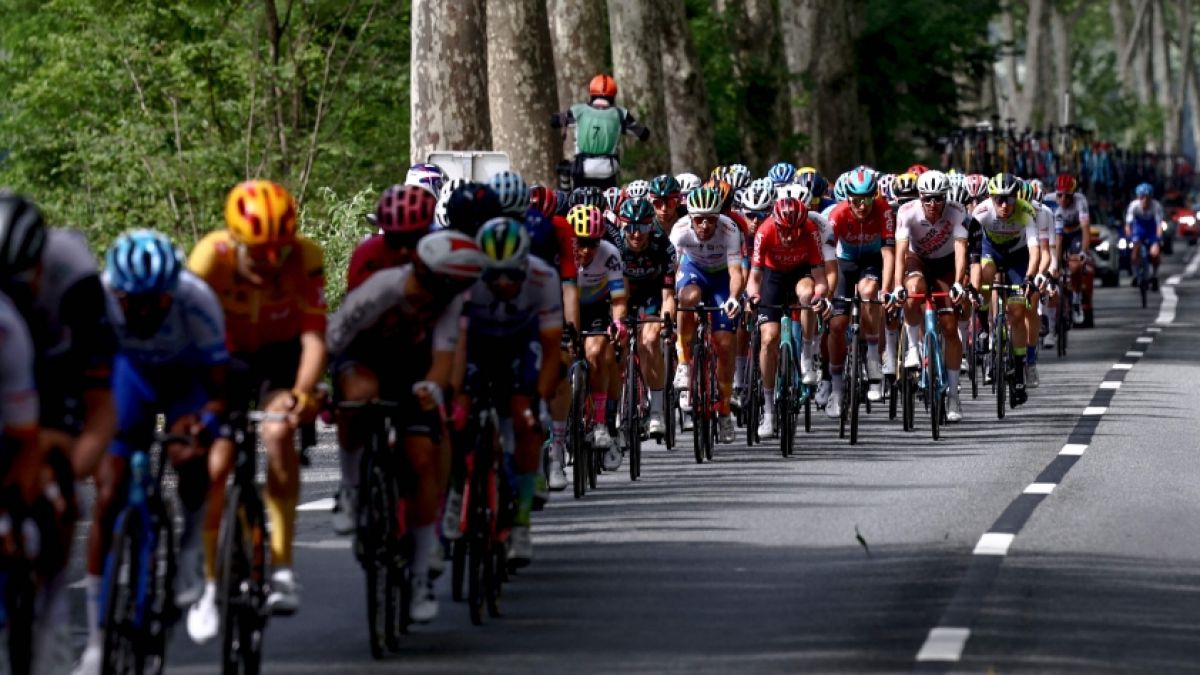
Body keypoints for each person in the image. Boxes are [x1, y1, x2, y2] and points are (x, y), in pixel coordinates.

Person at [75, 231, 229, 675]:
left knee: (189, 456)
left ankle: (189, 550)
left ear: (171, 292)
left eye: (154, 303)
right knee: (109, 492)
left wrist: (204, 425)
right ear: (116, 292)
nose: (142, 312)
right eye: (132, 303)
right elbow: (82, 376)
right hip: (131, 378)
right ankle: (97, 642)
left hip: (186, 379)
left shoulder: (197, 299)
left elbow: (221, 389)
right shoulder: (98, 300)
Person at [186, 180, 326, 640]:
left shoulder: (304, 258)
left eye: (278, 252)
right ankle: (209, 583)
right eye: (258, 253)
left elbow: (311, 337)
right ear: (235, 241)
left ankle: (282, 566)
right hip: (221, 358)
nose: (269, 263)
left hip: (278, 358)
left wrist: (302, 394)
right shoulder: (210, 258)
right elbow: (185, 337)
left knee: (279, 434)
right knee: (216, 463)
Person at [327, 229, 488, 622]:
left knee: (420, 456)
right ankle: (351, 489)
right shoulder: (383, 288)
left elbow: (443, 359)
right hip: (363, 359)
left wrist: (432, 387)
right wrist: (318, 388)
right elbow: (334, 340)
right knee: (358, 395)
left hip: (412, 369)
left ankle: (420, 576)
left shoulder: (448, 303)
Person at [0, 192, 116, 675]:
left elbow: (101, 407)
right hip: (9, 366)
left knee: (60, 486)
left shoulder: (78, 283)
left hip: (62, 365)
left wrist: (65, 471)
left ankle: (47, 615)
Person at [458, 219, 562, 565]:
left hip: (522, 345)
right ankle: (456, 497)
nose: (502, 283)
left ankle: (520, 523)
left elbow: (550, 351)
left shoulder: (543, 278)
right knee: (453, 417)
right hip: (475, 344)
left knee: (527, 420)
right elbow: (451, 343)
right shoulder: (466, 277)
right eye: (494, 275)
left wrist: (539, 402)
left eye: (510, 275)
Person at [745, 197, 831, 438]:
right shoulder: (765, 231)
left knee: (807, 294)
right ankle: (769, 411)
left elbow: (820, 279)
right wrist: (752, 297)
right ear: (776, 223)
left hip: (800, 273)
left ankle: (806, 352)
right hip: (773, 276)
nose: (791, 237)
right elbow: (754, 277)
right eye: (785, 230)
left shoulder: (811, 231)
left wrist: (819, 296)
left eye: (795, 230)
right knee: (769, 339)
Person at [892, 171, 969, 422]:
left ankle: (954, 396)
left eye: (938, 199)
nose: (932, 205)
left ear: (945, 197)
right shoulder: (907, 212)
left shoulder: (958, 211)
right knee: (913, 290)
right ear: (920, 197)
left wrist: (958, 282)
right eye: (927, 199)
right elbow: (901, 252)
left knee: (949, 327)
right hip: (918, 260)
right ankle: (913, 349)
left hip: (946, 264)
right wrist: (896, 286)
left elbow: (960, 249)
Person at [670, 186, 746, 443]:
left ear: (718, 217)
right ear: (690, 217)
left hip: (722, 278)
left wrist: (735, 298)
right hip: (694, 272)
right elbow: (671, 274)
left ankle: (724, 411)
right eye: (698, 219)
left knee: (724, 344)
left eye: (710, 219)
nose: (704, 225)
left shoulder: (729, 229)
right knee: (687, 299)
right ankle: (683, 362)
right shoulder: (679, 231)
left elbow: (737, 273)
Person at [823, 167, 895, 416]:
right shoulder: (838, 214)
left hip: (872, 261)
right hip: (844, 263)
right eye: (855, 201)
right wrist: (828, 294)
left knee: (869, 291)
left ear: (874, 196)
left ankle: (873, 355)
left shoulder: (884, 210)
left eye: (867, 200)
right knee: (836, 325)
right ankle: (836, 390)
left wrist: (886, 289)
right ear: (847, 199)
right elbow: (828, 257)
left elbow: (888, 254)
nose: (862, 206)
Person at [567, 204, 628, 470]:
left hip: (594, 307)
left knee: (596, 352)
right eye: (580, 243)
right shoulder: (560, 255)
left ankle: (601, 422)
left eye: (592, 243)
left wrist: (618, 323)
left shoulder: (610, 254)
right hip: (565, 305)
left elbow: (619, 299)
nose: (586, 250)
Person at [972, 173, 1039, 406]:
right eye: (998, 199)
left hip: (1018, 256)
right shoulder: (980, 213)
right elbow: (971, 250)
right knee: (984, 275)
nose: (1004, 204)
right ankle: (982, 325)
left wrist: (1029, 278)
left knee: (1018, 312)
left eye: (1009, 199)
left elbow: (1035, 251)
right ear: (990, 197)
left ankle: (1019, 370)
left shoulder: (1026, 210)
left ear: (1016, 198)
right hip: (991, 251)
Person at [613, 197, 677, 437]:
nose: (636, 234)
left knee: (650, 341)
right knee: (615, 345)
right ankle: (615, 407)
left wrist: (667, 322)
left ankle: (658, 411)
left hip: (653, 294)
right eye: (630, 227)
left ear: (651, 226)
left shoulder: (663, 246)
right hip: (623, 294)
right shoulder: (616, 246)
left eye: (642, 228)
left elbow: (669, 294)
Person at [550, 74, 651, 189]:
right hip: (607, 169)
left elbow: (554, 121)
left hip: (582, 169)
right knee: (609, 203)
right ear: (613, 95)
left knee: (578, 201)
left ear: (591, 94)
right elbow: (643, 133)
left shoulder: (578, 111)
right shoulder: (620, 114)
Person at [1052, 173, 1090, 325]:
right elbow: (1058, 239)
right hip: (1059, 233)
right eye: (1060, 195)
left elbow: (1086, 229)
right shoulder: (1051, 201)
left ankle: (1076, 298)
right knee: (1053, 264)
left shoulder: (1080, 201)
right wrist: (1056, 262)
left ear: (1073, 195)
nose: (1063, 200)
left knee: (1075, 266)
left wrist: (1083, 253)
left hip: (1076, 233)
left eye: (1067, 196)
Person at [1125, 182, 1163, 289]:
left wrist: (1158, 240)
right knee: (1135, 252)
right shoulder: (1133, 206)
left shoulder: (1156, 206)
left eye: (1147, 198)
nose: (1145, 200)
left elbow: (1159, 225)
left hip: (1151, 229)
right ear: (1138, 197)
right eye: (1142, 197)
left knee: (1155, 253)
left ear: (1151, 198)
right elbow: (1128, 225)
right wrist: (1130, 238)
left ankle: (1154, 275)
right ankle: (1136, 275)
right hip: (1139, 228)